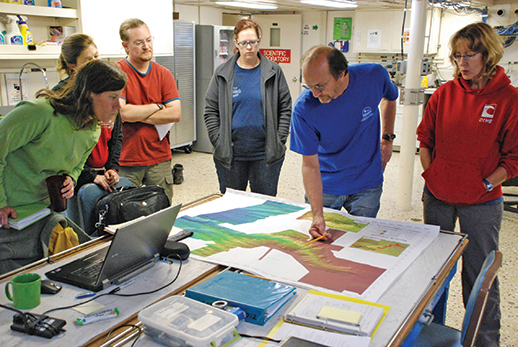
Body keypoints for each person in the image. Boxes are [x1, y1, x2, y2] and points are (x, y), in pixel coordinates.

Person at [417, 22, 518, 347]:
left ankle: (484, 342)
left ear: (487, 55)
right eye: (457, 55)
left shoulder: (509, 99)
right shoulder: (445, 93)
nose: (462, 61)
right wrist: (433, 175)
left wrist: (487, 184)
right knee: (434, 274)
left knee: (479, 277)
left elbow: (514, 156)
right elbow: (425, 139)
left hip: (482, 203)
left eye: (469, 54)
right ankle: (430, 334)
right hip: (438, 198)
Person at [0, 59, 127, 274]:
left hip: (40, 214)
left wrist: (71, 178)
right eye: (112, 97)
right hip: (9, 215)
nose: (118, 105)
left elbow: (76, 166)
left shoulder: (92, 128)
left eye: (120, 97)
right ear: (90, 94)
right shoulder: (40, 113)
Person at [290, 45, 398, 240]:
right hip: (326, 184)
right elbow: (310, 166)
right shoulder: (303, 109)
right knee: (321, 245)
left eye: (320, 86)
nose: (315, 93)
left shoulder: (373, 76)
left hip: (367, 182)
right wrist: (317, 215)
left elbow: (390, 98)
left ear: (341, 74)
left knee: (361, 246)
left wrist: (387, 139)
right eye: (309, 87)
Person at [204, 19, 292, 196]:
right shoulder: (223, 73)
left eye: (253, 42)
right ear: (236, 43)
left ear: (259, 40)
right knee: (232, 208)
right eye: (244, 43)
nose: (249, 47)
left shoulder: (273, 71)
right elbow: (210, 110)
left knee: (264, 207)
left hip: (265, 156)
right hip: (231, 156)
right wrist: (218, 141)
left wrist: (279, 139)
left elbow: (286, 108)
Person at [116, 18, 181, 202]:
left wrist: (135, 113)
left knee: (161, 212)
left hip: (159, 158)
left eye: (149, 40)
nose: (146, 46)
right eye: (139, 42)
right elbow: (121, 114)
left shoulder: (163, 74)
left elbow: (175, 114)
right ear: (125, 46)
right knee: (125, 215)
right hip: (126, 160)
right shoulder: (117, 73)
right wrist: (156, 107)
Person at [53, 33, 123, 194]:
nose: (95, 63)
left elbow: (116, 134)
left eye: (96, 56)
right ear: (73, 65)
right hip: (73, 180)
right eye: (88, 60)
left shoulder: (106, 88)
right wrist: (88, 175)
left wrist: (112, 167)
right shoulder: (63, 97)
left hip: (103, 173)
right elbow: (64, 148)